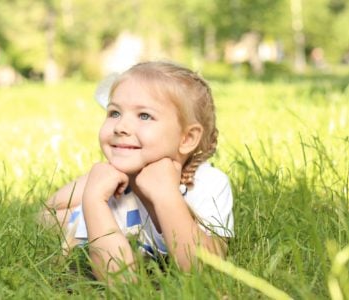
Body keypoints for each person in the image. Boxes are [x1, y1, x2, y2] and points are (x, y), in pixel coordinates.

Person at [40, 61, 234, 281]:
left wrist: (165, 195)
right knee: (49, 214)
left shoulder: (209, 184)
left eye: (144, 116)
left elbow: (205, 270)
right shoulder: (106, 193)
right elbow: (119, 281)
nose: (120, 126)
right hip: (74, 219)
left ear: (187, 138)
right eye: (114, 113)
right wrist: (93, 199)